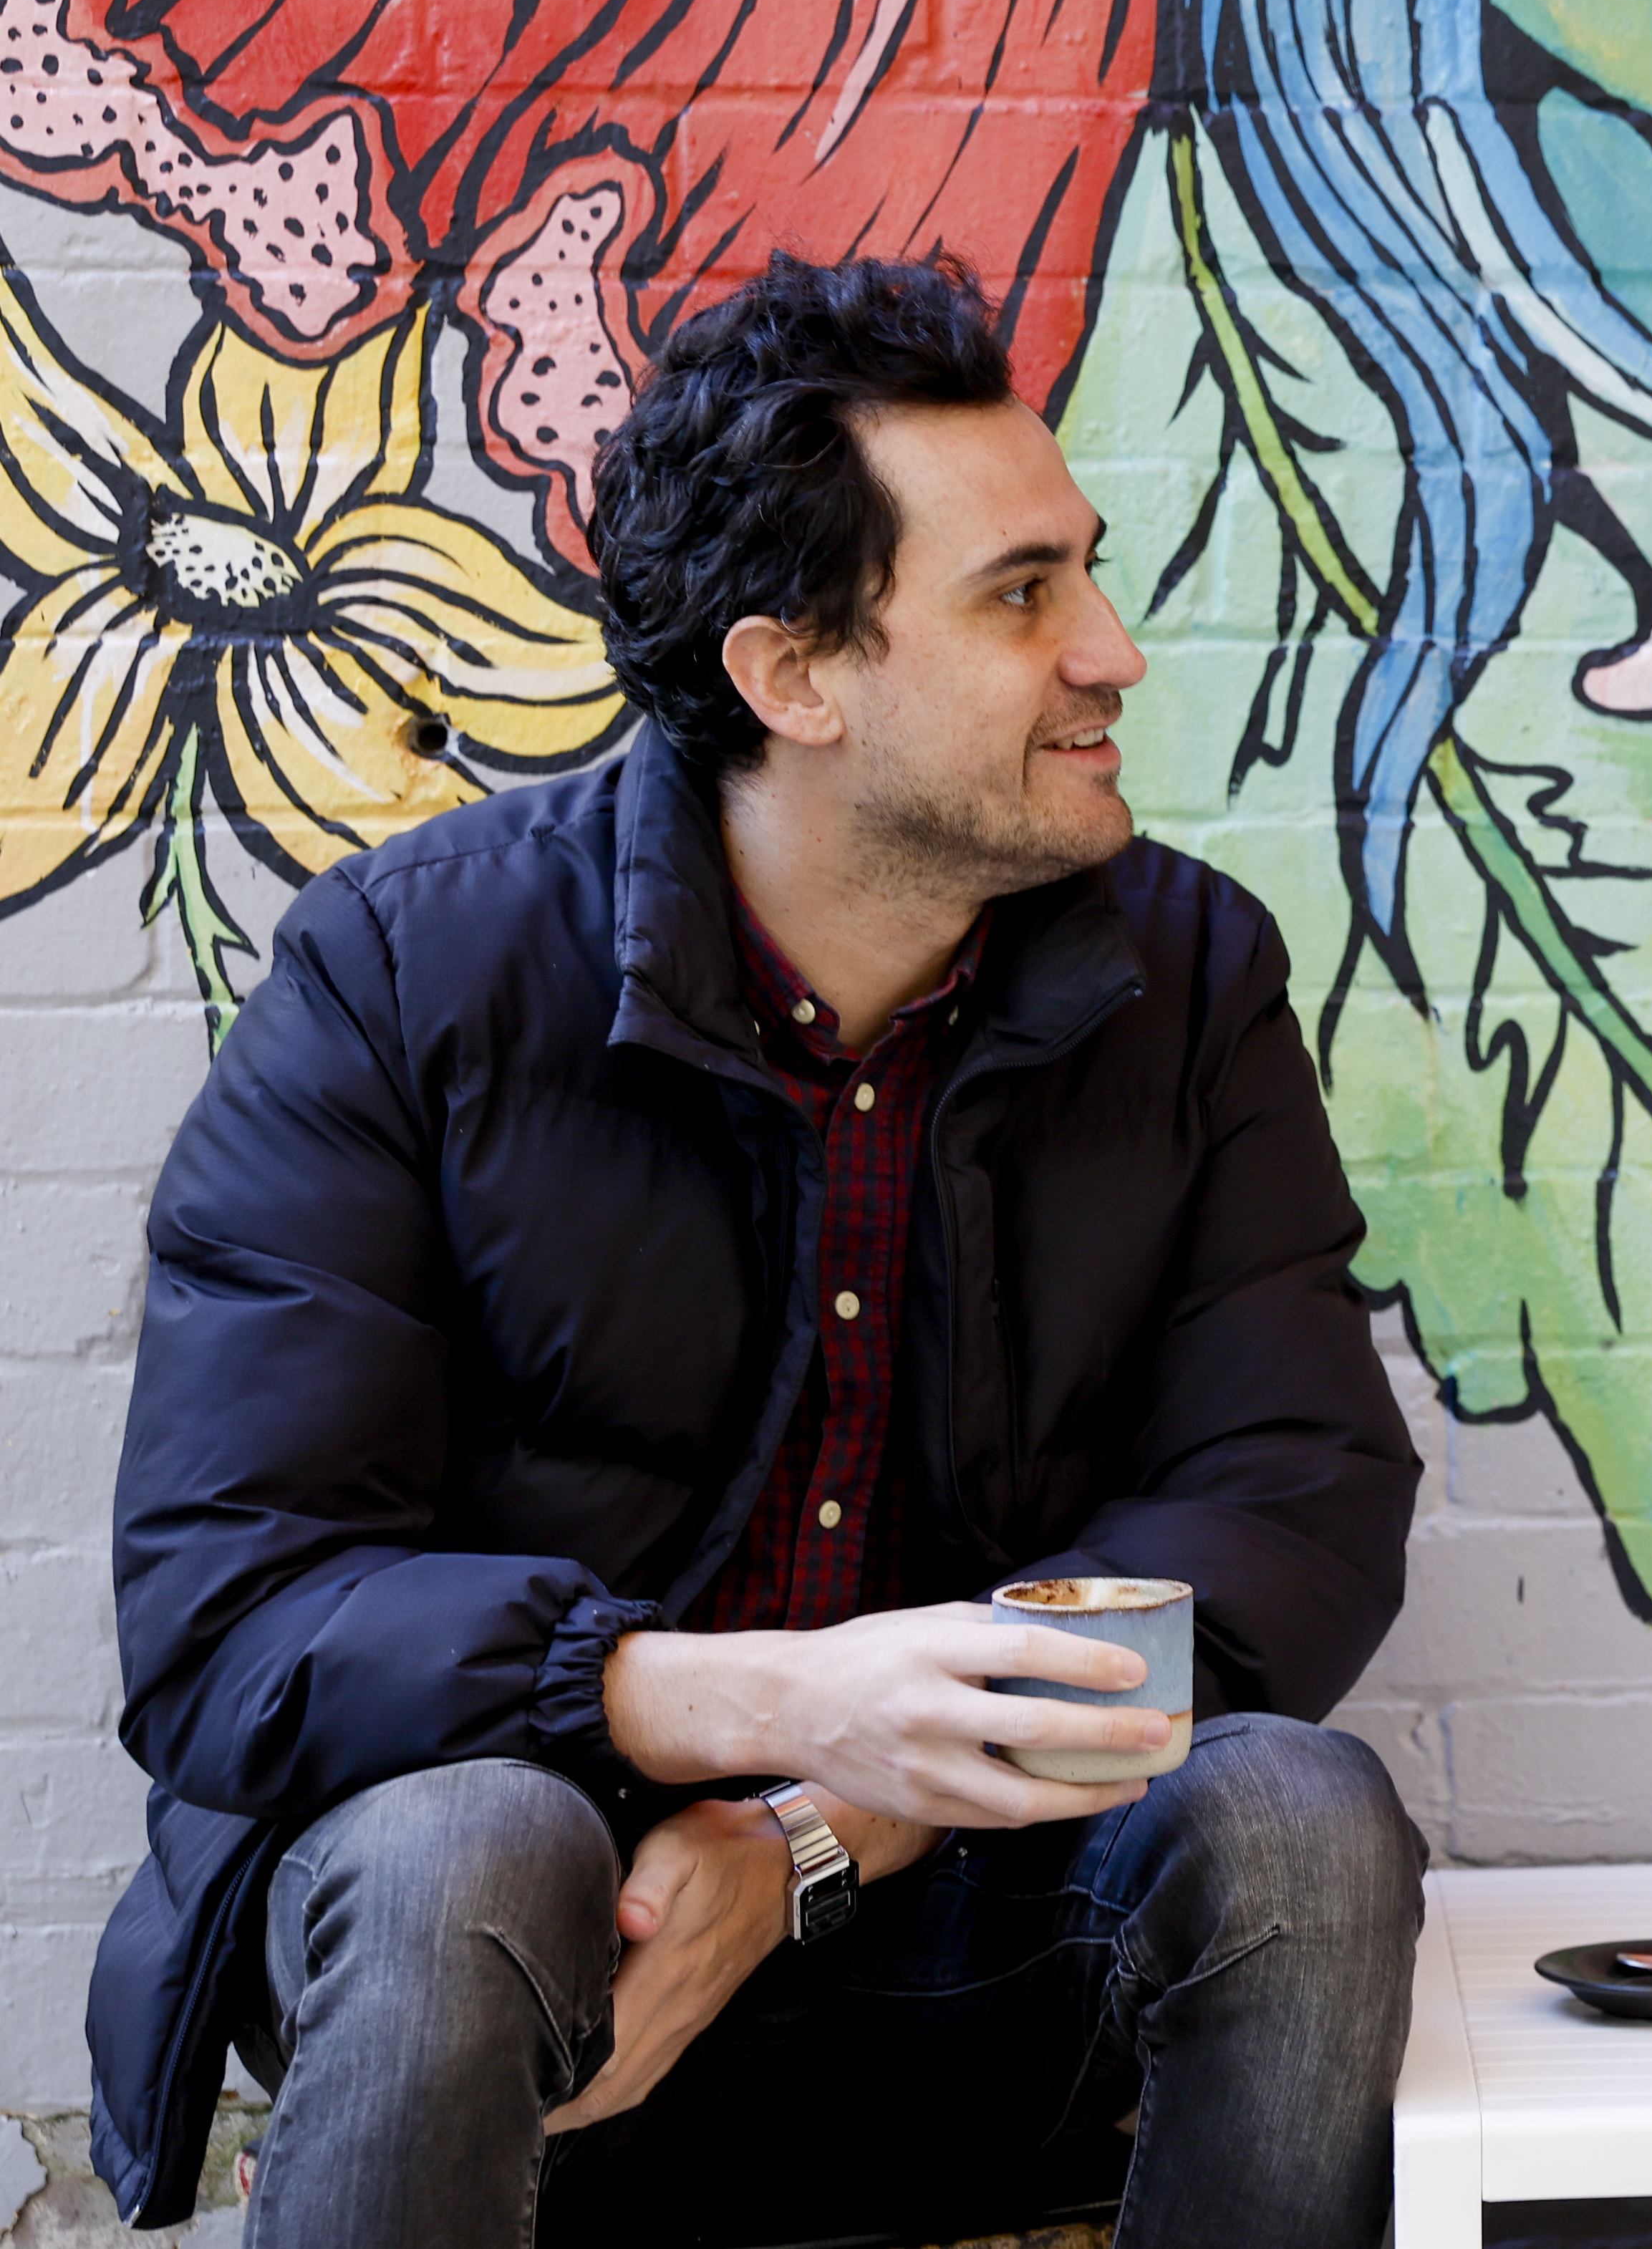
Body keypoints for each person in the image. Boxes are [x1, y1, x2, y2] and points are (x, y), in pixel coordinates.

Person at [84, 253, 1429, 2247]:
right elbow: (233, 1620)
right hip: (551, 1963)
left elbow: (1292, 1504)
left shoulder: (1187, 976)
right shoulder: (407, 974)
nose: (1115, 652)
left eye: (1087, 568)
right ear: (791, 674)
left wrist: (819, 1823)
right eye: (1020, 594)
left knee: (1304, 1820)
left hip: (974, 1921)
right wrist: (752, 1705)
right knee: (466, 1842)